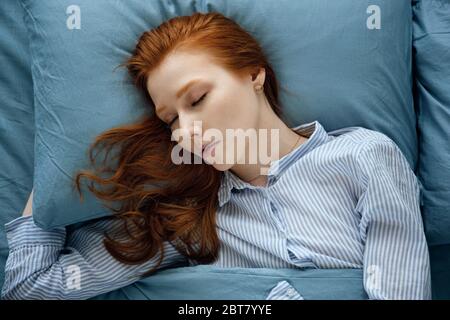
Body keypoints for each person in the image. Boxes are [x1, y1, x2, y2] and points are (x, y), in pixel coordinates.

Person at [1, 12, 431, 300]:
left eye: (199, 98)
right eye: (170, 120)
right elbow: (31, 289)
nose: (185, 132)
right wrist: (56, 160)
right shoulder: (190, 220)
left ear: (253, 74)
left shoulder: (364, 157)